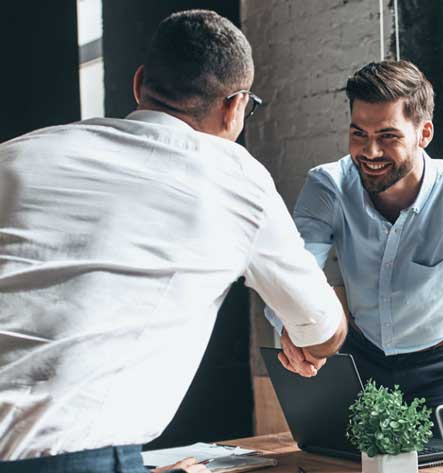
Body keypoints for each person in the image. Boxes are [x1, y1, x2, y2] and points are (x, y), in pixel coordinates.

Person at [0, 10, 347, 473]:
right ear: (235, 106)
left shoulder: (18, 155)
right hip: (72, 458)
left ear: (140, 82)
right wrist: (305, 341)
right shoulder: (233, 175)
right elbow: (323, 328)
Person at [268, 60, 443, 418]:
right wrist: (291, 325)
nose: (370, 152)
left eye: (388, 136)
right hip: (360, 359)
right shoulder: (328, 185)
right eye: (359, 134)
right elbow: (290, 272)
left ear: (423, 134)